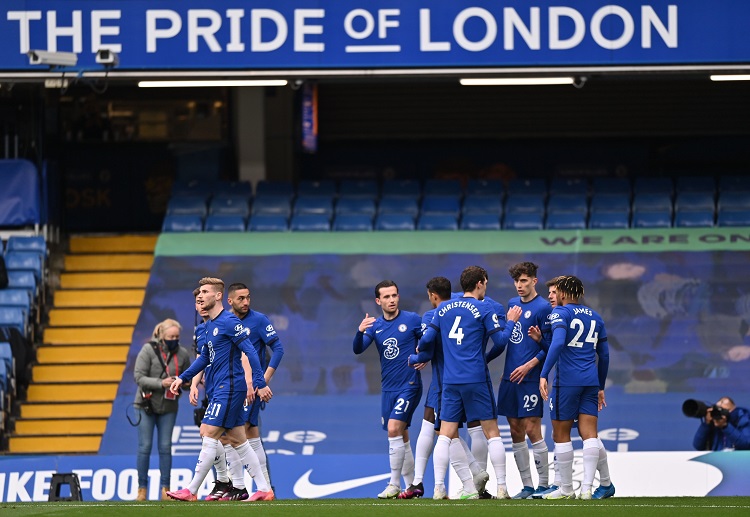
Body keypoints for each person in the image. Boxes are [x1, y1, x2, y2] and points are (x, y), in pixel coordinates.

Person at [166, 277, 275, 502]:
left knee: (208, 431)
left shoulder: (229, 322)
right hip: (220, 389)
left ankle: (192, 489)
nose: (200, 295)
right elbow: (205, 357)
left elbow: (251, 352)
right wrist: (184, 378)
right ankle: (264, 489)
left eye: (205, 292)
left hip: (230, 387)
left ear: (217, 296)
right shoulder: (208, 327)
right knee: (237, 440)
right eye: (199, 293)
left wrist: (259, 381)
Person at [410, 266, 511, 499]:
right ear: (480, 283)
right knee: (491, 432)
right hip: (475, 377)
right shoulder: (484, 307)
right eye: (485, 283)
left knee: (444, 435)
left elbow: (426, 340)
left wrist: (416, 356)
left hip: (450, 381)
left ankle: (438, 489)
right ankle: (502, 488)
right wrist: (513, 322)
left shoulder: (443, 308)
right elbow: (501, 340)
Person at [401, 277, 490, 500]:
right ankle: (467, 477)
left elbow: (427, 346)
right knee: (446, 429)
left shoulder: (435, 314)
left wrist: (416, 356)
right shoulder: (468, 310)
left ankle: (441, 485)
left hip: (445, 382)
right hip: (467, 377)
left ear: (432, 295)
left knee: (442, 432)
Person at [533, 277, 615, 500]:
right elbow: (604, 355)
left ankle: (566, 489)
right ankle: (587, 489)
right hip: (590, 381)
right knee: (590, 435)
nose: (552, 296)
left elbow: (558, 343)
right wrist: (600, 385)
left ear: (564, 293)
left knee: (561, 434)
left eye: (555, 292)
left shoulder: (560, 313)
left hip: (567, 382)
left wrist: (543, 374)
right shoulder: (595, 317)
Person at [204, 282, 285, 501]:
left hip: (248, 388)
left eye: (248, 297)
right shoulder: (223, 321)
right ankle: (260, 488)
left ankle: (248, 488)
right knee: (244, 435)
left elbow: (277, 349)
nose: (246, 302)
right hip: (230, 386)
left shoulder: (258, 320)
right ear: (229, 301)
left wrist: (263, 381)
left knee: (235, 434)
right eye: (241, 298)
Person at [487, 262, 551, 499]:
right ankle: (527, 486)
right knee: (515, 429)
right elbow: (508, 340)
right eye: (517, 281)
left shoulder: (544, 307)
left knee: (532, 428)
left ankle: (544, 485)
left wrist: (530, 365)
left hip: (531, 377)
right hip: (510, 378)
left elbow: (551, 346)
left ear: (534, 281)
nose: (520, 285)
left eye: (524, 280)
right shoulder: (512, 305)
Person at [353, 280, 423, 499]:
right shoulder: (374, 326)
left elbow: (429, 341)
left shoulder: (412, 319)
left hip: (409, 384)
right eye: (386, 297)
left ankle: (394, 484)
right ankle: (412, 486)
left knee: (394, 428)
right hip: (388, 388)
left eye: (394, 295)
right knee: (401, 435)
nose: (391, 300)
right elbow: (358, 349)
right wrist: (359, 331)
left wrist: (424, 356)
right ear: (378, 301)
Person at [133, 318, 193, 501]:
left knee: (165, 447)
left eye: (177, 336)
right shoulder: (148, 350)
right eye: (171, 336)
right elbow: (138, 377)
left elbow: (188, 377)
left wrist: (186, 383)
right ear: (161, 336)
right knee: (145, 447)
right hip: (146, 405)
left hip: (168, 406)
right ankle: (141, 489)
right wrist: (161, 383)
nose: (174, 339)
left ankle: (165, 489)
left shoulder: (182, 354)